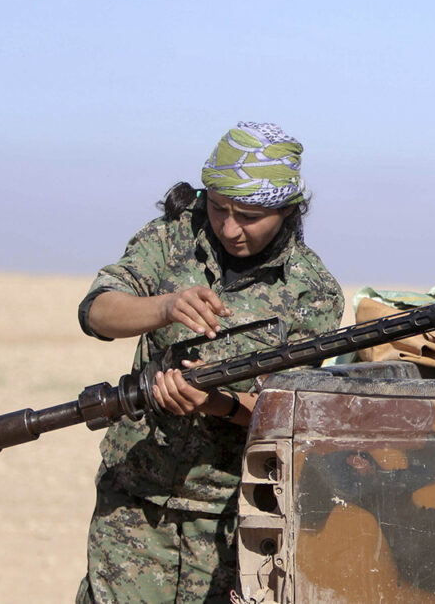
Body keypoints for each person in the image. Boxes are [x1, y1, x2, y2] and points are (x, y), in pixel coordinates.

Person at [75, 122, 344, 603]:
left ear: (287, 210)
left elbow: (285, 416)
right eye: (219, 208)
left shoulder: (314, 293)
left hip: (229, 522)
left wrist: (215, 403)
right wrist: (162, 306)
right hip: (134, 506)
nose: (228, 227)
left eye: (248, 215)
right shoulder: (173, 238)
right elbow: (97, 311)